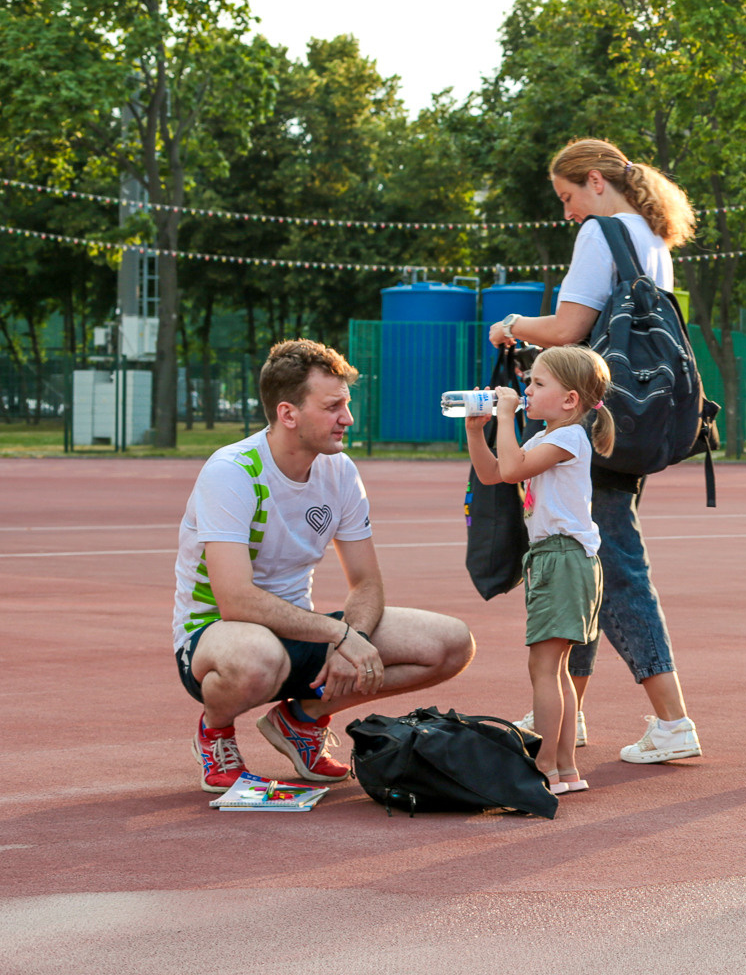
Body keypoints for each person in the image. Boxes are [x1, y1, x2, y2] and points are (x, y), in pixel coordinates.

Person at [177, 340, 475, 793]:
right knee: (258, 657)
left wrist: (348, 637)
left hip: (301, 635)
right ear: (288, 414)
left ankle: (301, 721)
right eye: (333, 406)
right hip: (217, 635)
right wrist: (338, 635)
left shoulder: (339, 471)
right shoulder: (233, 471)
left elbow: (367, 583)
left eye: (347, 404)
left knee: (450, 643)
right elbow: (234, 599)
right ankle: (215, 732)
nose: (348, 419)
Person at [489, 138, 703, 766]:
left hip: (592, 418)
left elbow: (568, 330)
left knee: (615, 566)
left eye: (567, 197)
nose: (568, 213)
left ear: (593, 181)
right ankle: (569, 711)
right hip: (636, 416)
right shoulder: (654, 238)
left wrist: (512, 327)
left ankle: (673, 719)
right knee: (584, 551)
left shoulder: (601, 233)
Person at [466, 347, 613, 796]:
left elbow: (511, 467)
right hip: (558, 559)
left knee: (543, 668)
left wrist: (507, 416)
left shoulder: (569, 438)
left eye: (537, 384)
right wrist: (478, 432)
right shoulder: (548, 438)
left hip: (562, 558)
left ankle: (545, 765)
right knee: (558, 669)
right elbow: (495, 475)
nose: (526, 391)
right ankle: (566, 768)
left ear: (570, 400)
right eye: (527, 384)